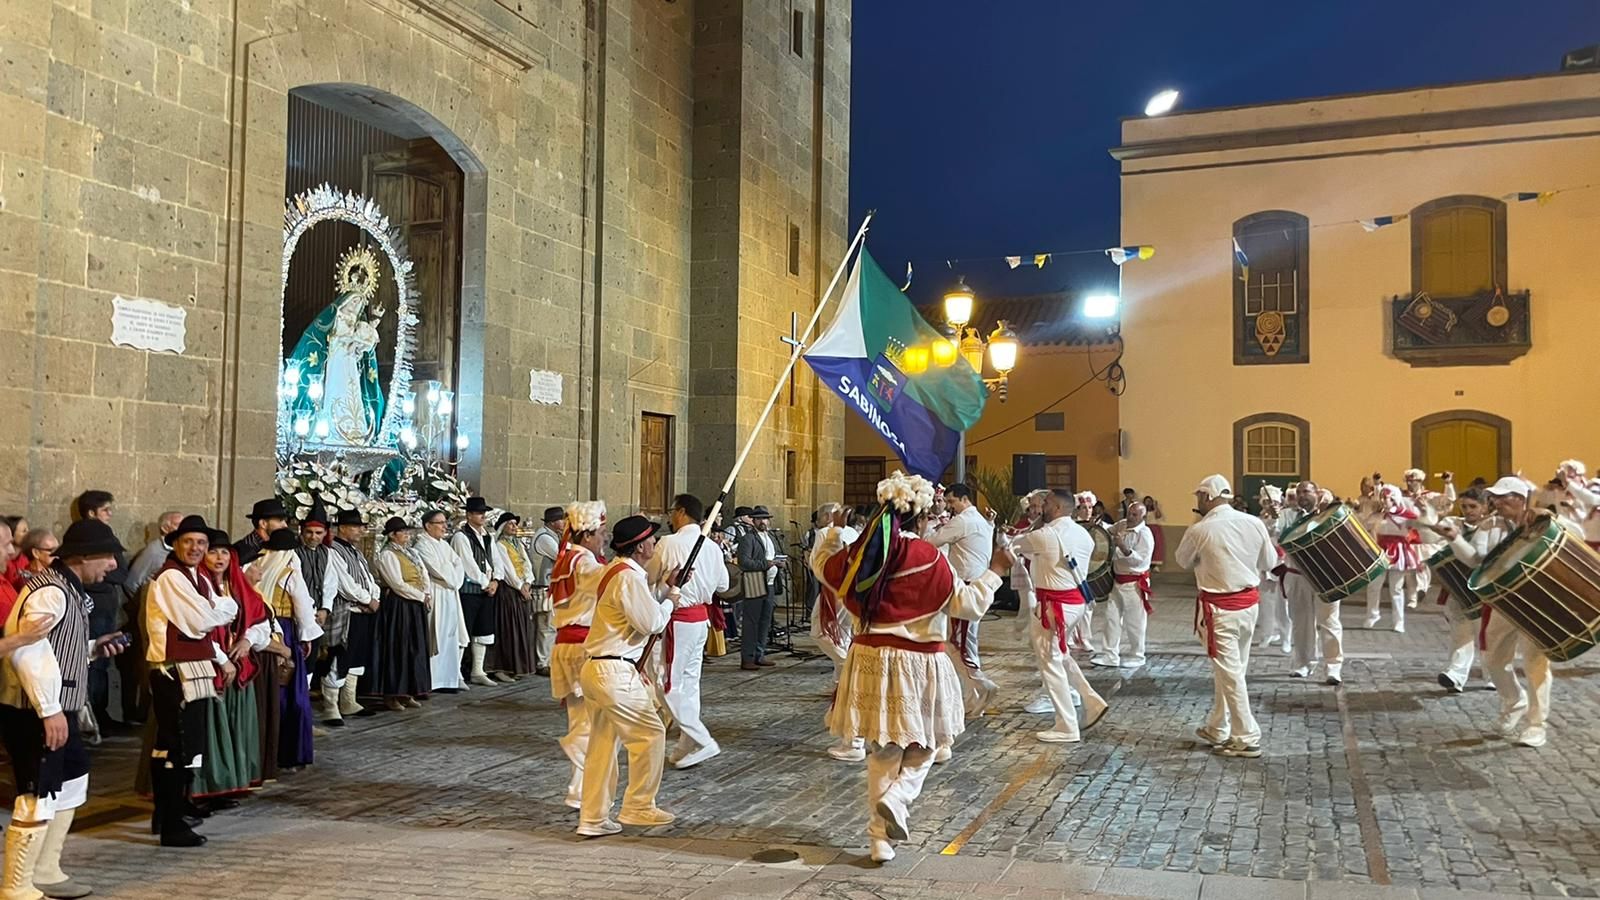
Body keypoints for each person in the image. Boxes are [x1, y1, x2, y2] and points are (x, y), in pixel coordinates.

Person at [811, 471, 1012, 864]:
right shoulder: (927, 556)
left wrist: (833, 534)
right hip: (919, 660)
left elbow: (822, 567)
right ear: (920, 519)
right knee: (929, 741)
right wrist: (997, 572)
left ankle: (878, 839)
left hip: (870, 658)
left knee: (883, 748)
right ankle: (898, 797)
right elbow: (967, 606)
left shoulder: (860, 554)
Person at [0, 519, 126, 897]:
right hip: (34, 710)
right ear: (83, 557)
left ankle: (46, 869)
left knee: (72, 775)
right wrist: (49, 710)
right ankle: (18, 887)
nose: (113, 566)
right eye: (107, 557)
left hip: (56, 706)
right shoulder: (51, 592)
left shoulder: (66, 589)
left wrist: (93, 648)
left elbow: (57, 648)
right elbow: (28, 651)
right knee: (36, 792)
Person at [576, 515, 678, 837]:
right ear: (640, 546)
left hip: (600, 668)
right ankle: (638, 805)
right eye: (652, 539)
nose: (656, 544)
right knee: (650, 733)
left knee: (603, 746)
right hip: (613, 670)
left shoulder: (619, 572)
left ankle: (592, 818)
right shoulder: (628, 579)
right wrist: (671, 603)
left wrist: (663, 590)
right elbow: (650, 624)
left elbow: (638, 607)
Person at [143, 515, 241, 847]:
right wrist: (228, 606)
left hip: (191, 666)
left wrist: (221, 657)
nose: (197, 548)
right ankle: (171, 824)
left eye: (202, 543)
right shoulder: (172, 577)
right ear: (176, 544)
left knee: (181, 744)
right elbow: (201, 620)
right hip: (175, 671)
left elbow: (203, 626)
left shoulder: (194, 576)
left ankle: (171, 811)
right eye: (189, 542)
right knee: (176, 745)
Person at [1175, 475, 1277, 759]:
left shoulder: (1201, 529)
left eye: (1198, 497)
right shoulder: (1254, 523)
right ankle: (1218, 726)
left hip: (1220, 609)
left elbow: (1182, 560)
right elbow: (1269, 563)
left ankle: (1246, 735)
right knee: (1232, 670)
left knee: (1230, 674)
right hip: (1248, 606)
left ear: (1207, 497)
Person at [1478, 476, 1578, 748]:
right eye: (1495, 497)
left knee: (1535, 663)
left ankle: (1537, 725)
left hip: (1537, 601)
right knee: (1492, 659)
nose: (1497, 502)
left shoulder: (1546, 520)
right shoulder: (1491, 525)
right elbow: (1477, 559)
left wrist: (1550, 517)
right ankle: (1514, 702)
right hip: (1504, 599)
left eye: (1503, 497)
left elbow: (1574, 534)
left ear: (1521, 499)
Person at [1009, 489, 1110, 744]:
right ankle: (1091, 700)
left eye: (1045, 503)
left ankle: (1066, 725)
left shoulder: (1046, 534)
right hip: (1075, 605)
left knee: (1050, 662)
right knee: (1061, 656)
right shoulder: (1083, 535)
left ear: (1055, 508)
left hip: (1054, 608)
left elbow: (1013, 545)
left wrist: (1026, 528)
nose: (1041, 506)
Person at [648, 494, 729, 770]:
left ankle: (702, 739)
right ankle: (686, 742)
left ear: (681, 512)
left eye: (672, 511)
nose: (670, 517)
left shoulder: (668, 543)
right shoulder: (712, 547)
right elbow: (723, 584)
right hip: (699, 622)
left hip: (679, 620)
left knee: (666, 683)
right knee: (689, 685)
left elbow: (650, 578)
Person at [192, 530, 270, 801]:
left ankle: (233, 782)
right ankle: (210, 786)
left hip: (239, 665)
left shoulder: (238, 585)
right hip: (209, 665)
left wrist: (247, 641)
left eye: (225, 552)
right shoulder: (197, 585)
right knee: (212, 729)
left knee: (236, 729)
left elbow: (261, 622)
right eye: (213, 551)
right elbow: (195, 627)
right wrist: (221, 658)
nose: (219, 557)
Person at [244, 528, 324, 770]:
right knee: (292, 694)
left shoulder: (255, 567)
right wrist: (307, 636)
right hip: (284, 631)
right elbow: (302, 606)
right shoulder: (289, 572)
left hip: (260, 630)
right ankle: (290, 751)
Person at [549, 502, 607, 809]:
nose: (604, 539)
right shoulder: (584, 563)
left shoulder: (568, 558)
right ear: (587, 536)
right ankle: (580, 790)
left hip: (567, 647)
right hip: (582, 648)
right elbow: (616, 583)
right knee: (589, 723)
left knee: (583, 721)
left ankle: (579, 788)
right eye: (600, 533)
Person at [926, 484, 999, 721]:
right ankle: (972, 697)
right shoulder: (981, 520)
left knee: (958, 642)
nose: (949, 506)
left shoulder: (963, 520)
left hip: (966, 587)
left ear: (965, 499)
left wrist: (922, 531)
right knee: (961, 641)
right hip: (974, 585)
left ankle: (981, 684)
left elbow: (931, 543)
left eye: (952, 501)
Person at [1429, 487, 1506, 693]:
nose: (1467, 510)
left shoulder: (1495, 526)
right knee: (1460, 633)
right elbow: (1434, 542)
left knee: (1486, 635)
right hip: (1457, 589)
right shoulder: (1455, 524)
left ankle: (1493, 675)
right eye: (1464, 506)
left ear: (1485, 506)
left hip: (1484, 588)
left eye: (1473, 506)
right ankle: (1455, 675)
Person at [809, 502, 863, 761]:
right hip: (854, 598)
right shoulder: (857, 534)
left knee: (822, 634)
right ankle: (839, 675)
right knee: (843, 637)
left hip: (835, 592)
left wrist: (834, 531)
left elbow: (817, 565)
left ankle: (842, 669)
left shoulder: (828, 534)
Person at [1278, 482, 1345, 685]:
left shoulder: (1329, 512)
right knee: (1301, 622)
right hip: (1297, 574)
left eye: (1306, 491)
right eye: (1298, 492)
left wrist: (1326, 509)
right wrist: (1274, 516)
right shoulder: (1288, 515)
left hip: (1326, 575)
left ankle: (1333, 667)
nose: (1301, 496)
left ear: (1317, 493)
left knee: (1329, 621)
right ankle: (1303, 663)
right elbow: (1279, 535)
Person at [321, 510, 380, 726]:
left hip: (362, 612)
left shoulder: (356, 552)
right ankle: (331, 706)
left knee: (356, 658)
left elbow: (368, 577)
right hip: (345, 612)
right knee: (339, 658)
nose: (360, 530)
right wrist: (367, 599)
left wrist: (374, 596)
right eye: (355, 526)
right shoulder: (333, 551)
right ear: (342, 528)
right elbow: (344, 584)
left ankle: (349, 700)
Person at [74, 491, 126, 731]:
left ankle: (101, 713)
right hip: (92, 611)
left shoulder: (108, 537)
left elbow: (120, 573)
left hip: (107, 609)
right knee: (91, 663)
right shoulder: (83, 540)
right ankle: (90, 716)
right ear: (91, 513)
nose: (110, 514)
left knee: (103, 663)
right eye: (105, 510)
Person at [370, 518, 432, 711]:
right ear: (392, 535)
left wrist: (426, 593)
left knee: (415, 647)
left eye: (408, 531)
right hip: (399, 606)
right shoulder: (387, 555)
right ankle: (392, 693)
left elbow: (424, 573)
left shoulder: (411, 552)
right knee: (398, 648)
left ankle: (409, 691)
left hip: (415, 604)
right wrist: (421, 595)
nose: (407, 535)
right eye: (402, 532)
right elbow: (396, 583)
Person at [1094, 501, 1154, 670]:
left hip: (1134, 583)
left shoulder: (1145, 534)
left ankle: (1137, 655)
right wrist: (1099, 525)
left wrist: (1122, 547)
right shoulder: (1121, 525)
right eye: (1129, 512)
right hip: (1117, 581)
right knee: (1111, 618)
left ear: (1143, 517)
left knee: (1135, 622)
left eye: (1135, 514)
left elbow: (1140, 560)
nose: (1130, 516)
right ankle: (1110, 655)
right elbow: (1109, 529)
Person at [452, 497, 502, 686]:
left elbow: (496, 560)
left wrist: (496, 579)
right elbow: (467, 564)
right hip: (469, 590)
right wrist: (484, 582)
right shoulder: (461, 536)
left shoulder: (488, 536)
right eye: (479, 513)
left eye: (484, 513)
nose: (482, 516)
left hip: (487, 589)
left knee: (483, 630)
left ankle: (477, 670)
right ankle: (456, 673)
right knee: (465, 632)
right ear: (469, 515)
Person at [416, 510, 467, 693]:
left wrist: (453, 577)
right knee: (436, 635)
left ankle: (448, 679)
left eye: (445, 522)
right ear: (428, 525)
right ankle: (433, 680)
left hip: (450, 593)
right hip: (436, 593)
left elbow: (458, 564)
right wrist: (451, 572)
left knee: (450, 637)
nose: (445, 527)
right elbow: (437, 569)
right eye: (440, 523)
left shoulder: (444, 545)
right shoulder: (422, 545)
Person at [489, 511, 538, 679]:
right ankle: (504, 667)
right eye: (510, 524)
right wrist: (519, 586)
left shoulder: (518, 544)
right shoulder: (501, 545)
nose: (514, 527)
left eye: (515, 524)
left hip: (522, 588)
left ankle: (520, 666)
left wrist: (528, 582)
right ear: (503, 527)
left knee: (522, 628)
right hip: (509, 591)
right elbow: (507, 569)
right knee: (509, 628)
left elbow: (527, 564)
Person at [1366, 481, 1418, 632]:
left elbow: (1417, 528)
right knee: (1374, 585)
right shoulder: (1377, 515)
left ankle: (1398, 621)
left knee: (1396, 589)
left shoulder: (1405, 515)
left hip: (1399, 551)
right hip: (1380, 551)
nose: (1383, 501)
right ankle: (1372, 615)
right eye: (1381, 498)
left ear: (1394, 499)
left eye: (1386, 498)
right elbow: (1366, 528)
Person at [1403, 469, 1456, 608]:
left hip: (1427, 534)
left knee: (1422, 564)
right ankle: (1412, 597)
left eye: (1412, 481)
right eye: (1408, 481)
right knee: (1409, 567)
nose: (1409, 484)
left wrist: (1448, 483)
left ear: (1419, 481)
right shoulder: (1403, 497)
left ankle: (1422, 588)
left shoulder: (1430, 496)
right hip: (1408, 533)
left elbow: (1449, 500)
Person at [735, 507, 780, 670]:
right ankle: (747, 657)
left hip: (769, 583)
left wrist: (778, 563)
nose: (763, 522)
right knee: (751, 622)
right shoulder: (748, 539)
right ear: (753, 521)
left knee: (764, 621)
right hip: (754, 581)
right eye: (759, 519)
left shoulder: (770, 537)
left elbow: (771, 557)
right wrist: (765, 564)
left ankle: (759, 654)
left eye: (765, 518)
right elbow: (744, 562)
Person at [528, 507, 567, 676]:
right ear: (553, 522)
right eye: (561, 520)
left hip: (552, 587)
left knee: (552, 626)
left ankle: (549, 660)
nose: (564, 523)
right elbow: (562, 557)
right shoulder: (544, 538)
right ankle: (542, 662)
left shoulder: (553, 535)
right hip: (543, 586)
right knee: (546, 626)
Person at [1255, 485, 1293, 654]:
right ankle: (1267, 634)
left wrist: (1277, 519)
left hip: (1282, 564)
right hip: (1266, 564)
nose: (1270, 506)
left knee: (1283, 604)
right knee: (1266, 603)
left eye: (1274, 503)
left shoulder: (1286, 517)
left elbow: (1282, 533)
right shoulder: (1258, 520)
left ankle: (1286, 637)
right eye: (1266, 503)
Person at [124, 512, 184, 597]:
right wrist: (144, 604)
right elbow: (131, 583)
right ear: (165, 528)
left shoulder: (181, 548)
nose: (184, 528)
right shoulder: (154, 551)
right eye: (178, 525)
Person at [233, 498, 290, 567]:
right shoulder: (239, 552)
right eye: (280, 520)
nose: (285, 525)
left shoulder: (281, 547)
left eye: (285, 520)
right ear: (263, 523)